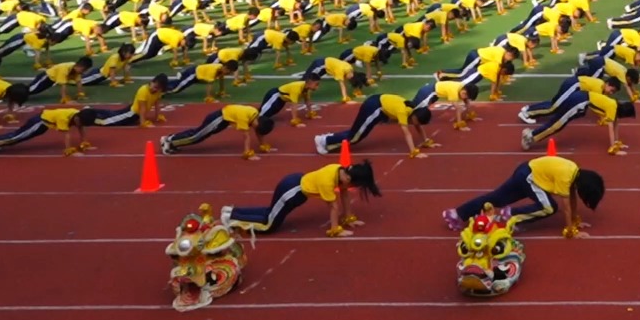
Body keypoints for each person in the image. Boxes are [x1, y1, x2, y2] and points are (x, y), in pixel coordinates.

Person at [444, 155, 606, 238]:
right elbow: (566, 207)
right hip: (528, 177)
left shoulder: (574, 171)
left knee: (497, 198)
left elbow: (572, 198)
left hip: (526, 171)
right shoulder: (566, 177)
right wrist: (572, 230)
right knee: (549, 207)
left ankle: (456, 214)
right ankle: (511, 216)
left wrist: (576, 221)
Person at [223, 161, 380, 237]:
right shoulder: (328, 180)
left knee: (270, 212)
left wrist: (348, 218)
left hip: (296, 186)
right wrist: (335, 229)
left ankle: (232, 211)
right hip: (292, 191)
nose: (352, 186)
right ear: (348, 176)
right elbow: (333, 207)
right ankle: (230, 218)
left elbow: (345, 194)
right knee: (268, 225)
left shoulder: (341, 171)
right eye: (353, 183)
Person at [521, 75, 633, 155]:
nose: (611, 93)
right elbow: (611, 126)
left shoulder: (612, 104)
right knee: (557, 122)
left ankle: (531, 134)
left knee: (557, 120)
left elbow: (615, 124)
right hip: (578, 99)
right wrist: (614, 147)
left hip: (579, 98)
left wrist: (617, 142)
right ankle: (530, 135)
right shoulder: (612, 105)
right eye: (612, 90)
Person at [313, 93, 436, 158]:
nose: (416, 124)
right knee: (354, 138)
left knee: (359, 133)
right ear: (415, 117)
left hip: (379, 106)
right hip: (374, 107)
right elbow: (406, 133)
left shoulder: (414, 110)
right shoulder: (403, 112)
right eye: (417, 121)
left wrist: (425, 141)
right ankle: (323, 140)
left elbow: (418, 126)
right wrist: (413, 151)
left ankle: (328, 138)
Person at [0, 106, 108, 157]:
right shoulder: (64, 118)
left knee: (21, 138)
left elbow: (81, 128)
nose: (80, 125)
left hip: (44, 124)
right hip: (39, 122)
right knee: (18, 136)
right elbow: (67, 134)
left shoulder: (78, 116)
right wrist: (69, 150)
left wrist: (84, 141)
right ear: (78, 117)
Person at [160, 103, 279, 159]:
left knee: (199, 134)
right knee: (197, 136)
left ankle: (172, 138)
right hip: (219, 118)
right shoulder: (245, 117)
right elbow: (246, 136)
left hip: (223, 119)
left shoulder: (255, 115)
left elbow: (258, 131)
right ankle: (169, 141)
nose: (256, 129)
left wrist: (264, 145)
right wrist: (248, 154)